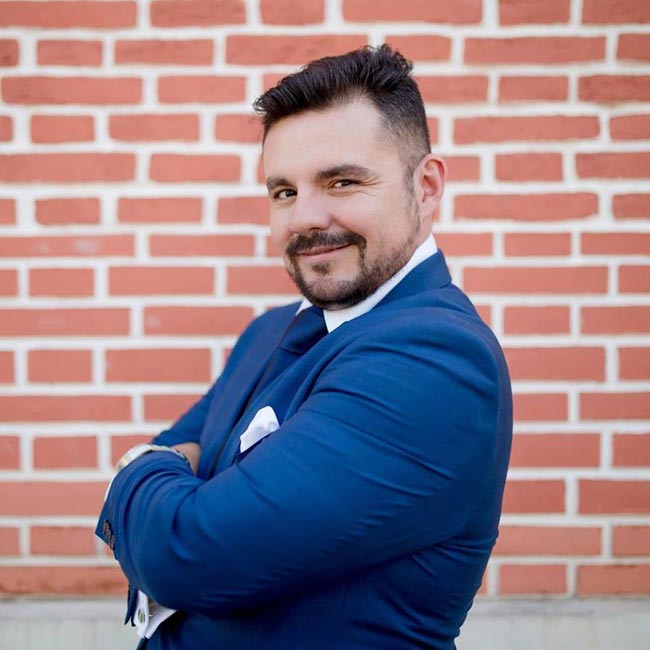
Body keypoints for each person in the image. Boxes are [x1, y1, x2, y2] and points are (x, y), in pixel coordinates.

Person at [97, 44, 512, 650]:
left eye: (342, 182)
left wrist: (135, 469)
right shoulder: (270, 330)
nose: (304, 219)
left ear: (425, 187)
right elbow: (179, 463)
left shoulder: (434, 360)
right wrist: (171, 486)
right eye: (284, 192)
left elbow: (185, 555)